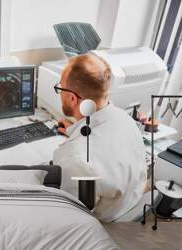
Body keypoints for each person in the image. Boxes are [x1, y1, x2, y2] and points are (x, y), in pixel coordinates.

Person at [52, 54, 147, 222]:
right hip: (127, 208)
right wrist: (76, 131)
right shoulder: (126, 120)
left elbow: (71, 218)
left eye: (60, 88)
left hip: (101, 227)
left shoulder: (76, 158)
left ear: (72, 98)